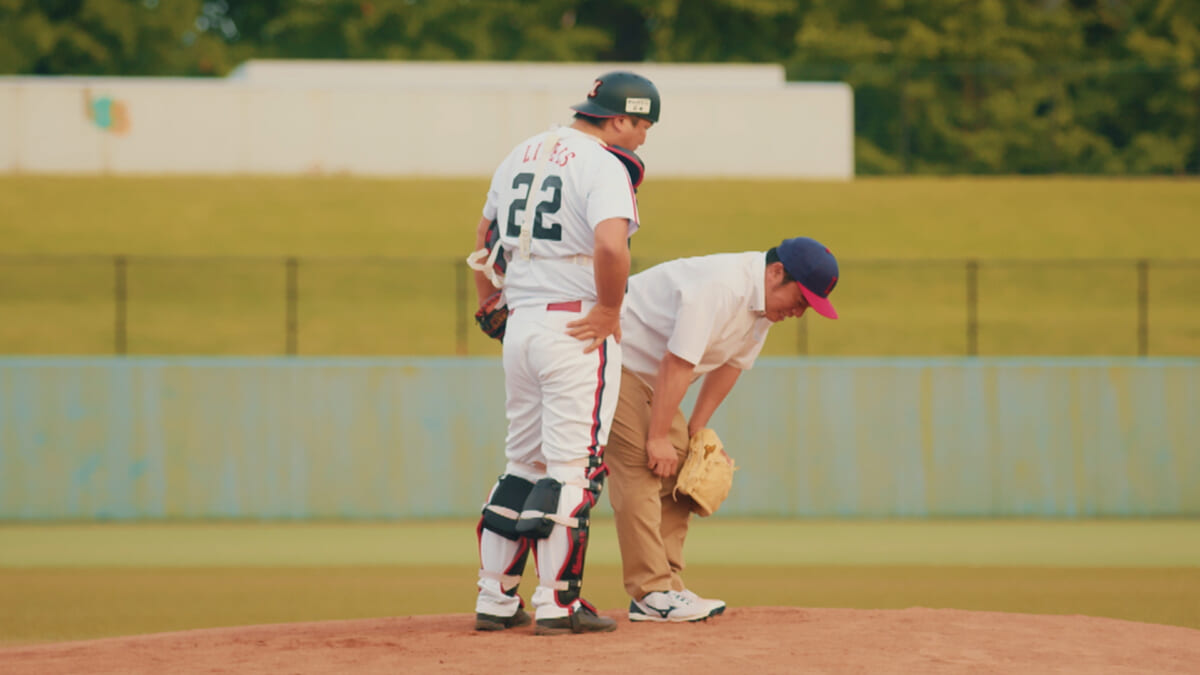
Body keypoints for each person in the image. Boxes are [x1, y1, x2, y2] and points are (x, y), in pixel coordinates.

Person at [470, 71, 661, 636]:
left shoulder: (520, 152)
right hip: (575, 325)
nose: (645, 135)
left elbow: (484, 238)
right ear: (619, 118)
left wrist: (489, 303)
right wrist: (607, 310)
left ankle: (495, 598)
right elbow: (610, 243)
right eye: (643, 123)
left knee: (521, 465)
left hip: (523, 325)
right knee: (572, 469)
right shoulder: (603, 164)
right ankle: (558, 604)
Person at [605, 236, 840, 622]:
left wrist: (695, 431)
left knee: (682, 464)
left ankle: (668, 585)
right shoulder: (721, 287)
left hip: (652, 376)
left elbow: (730, 366)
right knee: (641, 465)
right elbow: (677, 363)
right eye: (801, 300)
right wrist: (658, 436)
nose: (800, 312)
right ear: (776, 272)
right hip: (615, 358)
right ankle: (651, 591)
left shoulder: (763, 309)